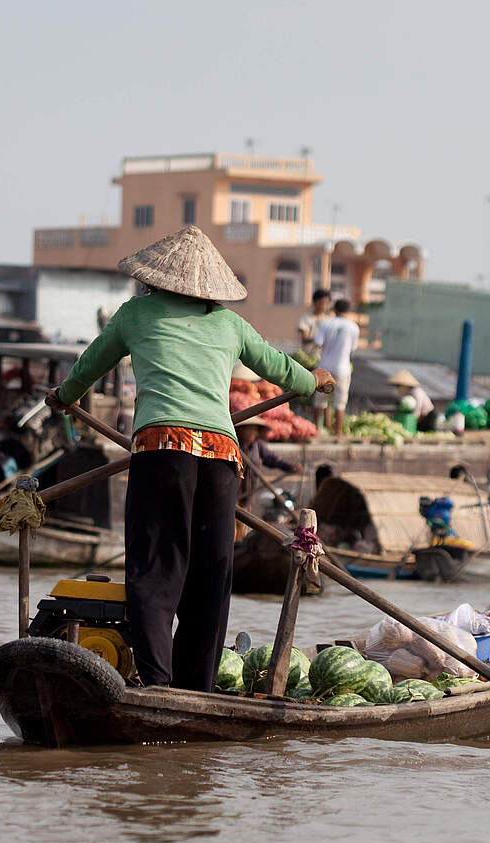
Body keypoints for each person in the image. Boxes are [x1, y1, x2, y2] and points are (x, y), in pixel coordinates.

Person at [45, 225, 332, 692]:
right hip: (221, 457)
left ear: (152, 280)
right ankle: (195, 690)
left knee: (157, 571)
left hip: (162, 452)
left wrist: (62, 397)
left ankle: (158, 684)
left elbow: (86, 370)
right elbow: (283, 371)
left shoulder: (134, 315)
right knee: (210, 578)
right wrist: (315, 379)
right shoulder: (229, 324)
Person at [313, 299, 360, 435]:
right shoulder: (353, 327)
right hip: (343, 369)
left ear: (335, 310)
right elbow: (353, 349)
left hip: (324, 367)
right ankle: (338, 433)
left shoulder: (326, 323)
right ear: (348, 311)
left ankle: (316, 430)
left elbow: (318, 342)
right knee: (340, 403)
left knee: (320, 402)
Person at [297, 288, 331, 362]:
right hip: (308, 358)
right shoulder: (306, 318)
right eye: (322, 303)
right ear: (315, 302)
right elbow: (304, 339)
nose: (324, 306)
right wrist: (318, 339)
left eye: (327, 303)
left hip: (323, 359)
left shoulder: (328, 320)